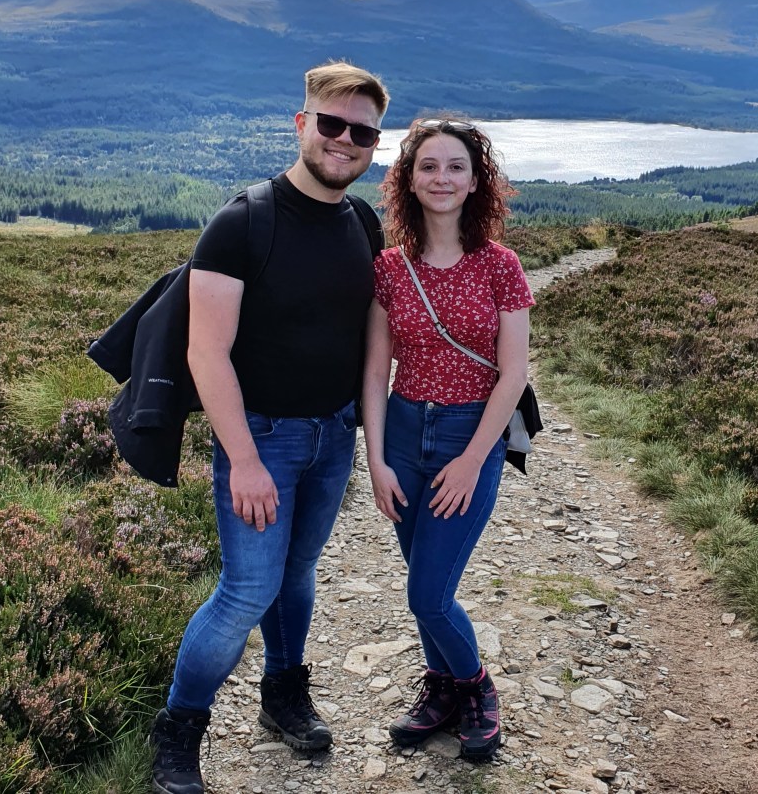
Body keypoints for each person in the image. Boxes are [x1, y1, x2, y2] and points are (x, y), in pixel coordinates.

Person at [149, 61, 390, 794]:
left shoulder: (363, 222)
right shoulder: (243, 222)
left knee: (297, 574)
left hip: (332, 437)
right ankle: (178, 729)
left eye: (364, 132)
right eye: (332, 123)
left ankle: (283, 694)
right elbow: (206, 351)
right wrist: (244, 459)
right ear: (301, 124)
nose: (345, 140)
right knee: (245, 591)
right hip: (262, 439)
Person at [361, 117, 534, 761]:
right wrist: (375, 458)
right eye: (428, 165)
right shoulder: (389, 267)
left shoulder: (500, 265)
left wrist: (471, 460)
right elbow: (377, 369)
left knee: (427, 593)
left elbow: (513, 373)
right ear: (408, 178)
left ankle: (476, 687)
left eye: (455, 166)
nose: (442, 178)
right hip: (404, 429)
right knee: (425, 581)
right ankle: (440, 690)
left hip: (470, 434)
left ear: (474, 181)